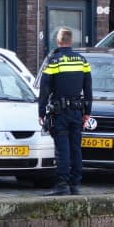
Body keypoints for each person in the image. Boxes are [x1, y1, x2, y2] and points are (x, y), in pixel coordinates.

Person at [38, 26, 93, 196]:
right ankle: (75, 184)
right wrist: (87, 112)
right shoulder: (82, 61)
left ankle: (62, 184)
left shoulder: (54, 61)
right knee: (76, 148)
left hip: (60, 112)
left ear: (58, 41)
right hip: (77, 112)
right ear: (71, 42)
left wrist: (41, 112)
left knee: (62, 149)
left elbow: (45, 88)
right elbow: (89, 89)